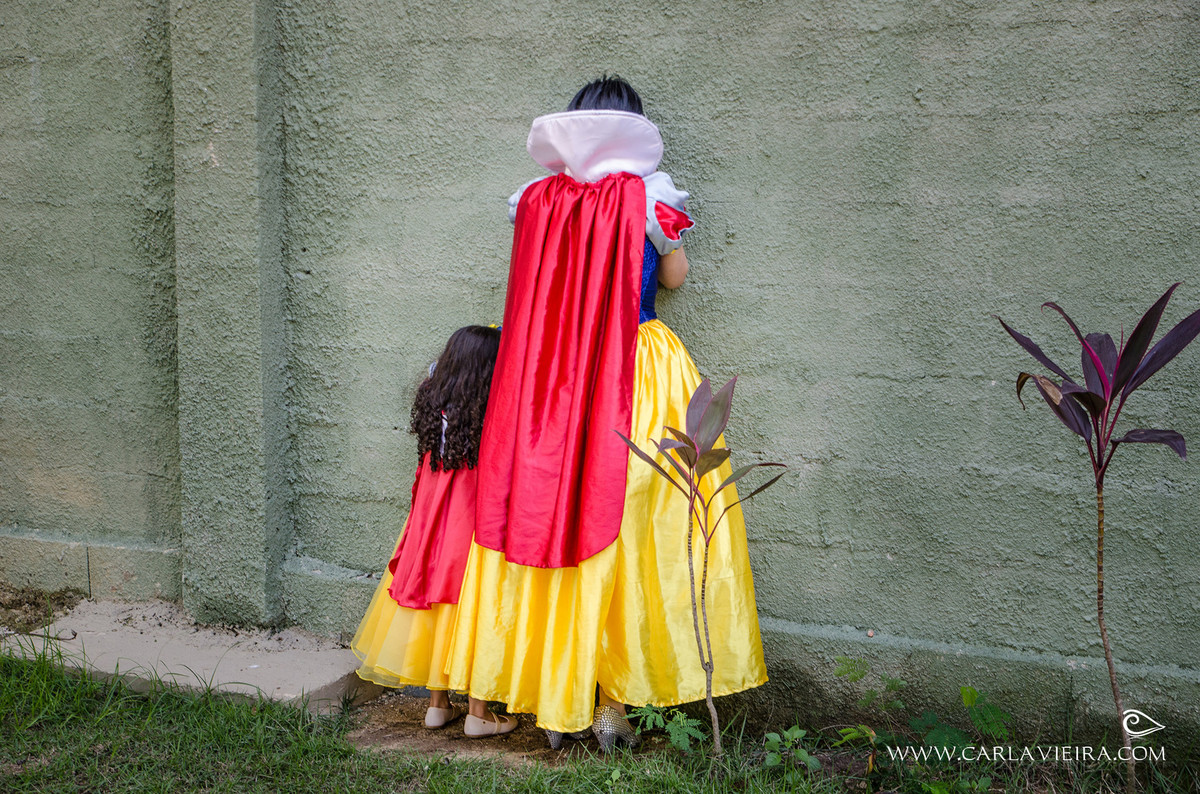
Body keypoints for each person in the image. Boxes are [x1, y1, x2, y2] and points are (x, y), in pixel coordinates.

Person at [447, 77, 767, 750]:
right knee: (632, 522)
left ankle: (548, 686)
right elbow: (674, 277)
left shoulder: (532, 200)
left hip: (551, 375)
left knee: (555, 512)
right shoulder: (654, 196)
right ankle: (613, 703)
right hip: (636, 365)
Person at [351, 325, 516, 738]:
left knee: (437, 612)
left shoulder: (435, 403)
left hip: (430, 528)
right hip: (473, 530)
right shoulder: (490, 413)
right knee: (471, 611)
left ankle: (437, 706)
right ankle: (478, 712)